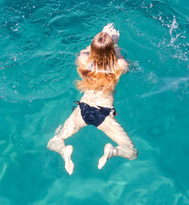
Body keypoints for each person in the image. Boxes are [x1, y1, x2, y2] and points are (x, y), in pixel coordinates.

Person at [47, 23, 138, 175]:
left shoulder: (83, 61)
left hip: (82, 110)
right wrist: (115, 43)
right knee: (131, 152)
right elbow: (121, 59)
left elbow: (84, 51)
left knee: (53, 142)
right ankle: (112, 151)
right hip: (104, 115)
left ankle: (64, 152)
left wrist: (99, 37)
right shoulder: (119, 66)